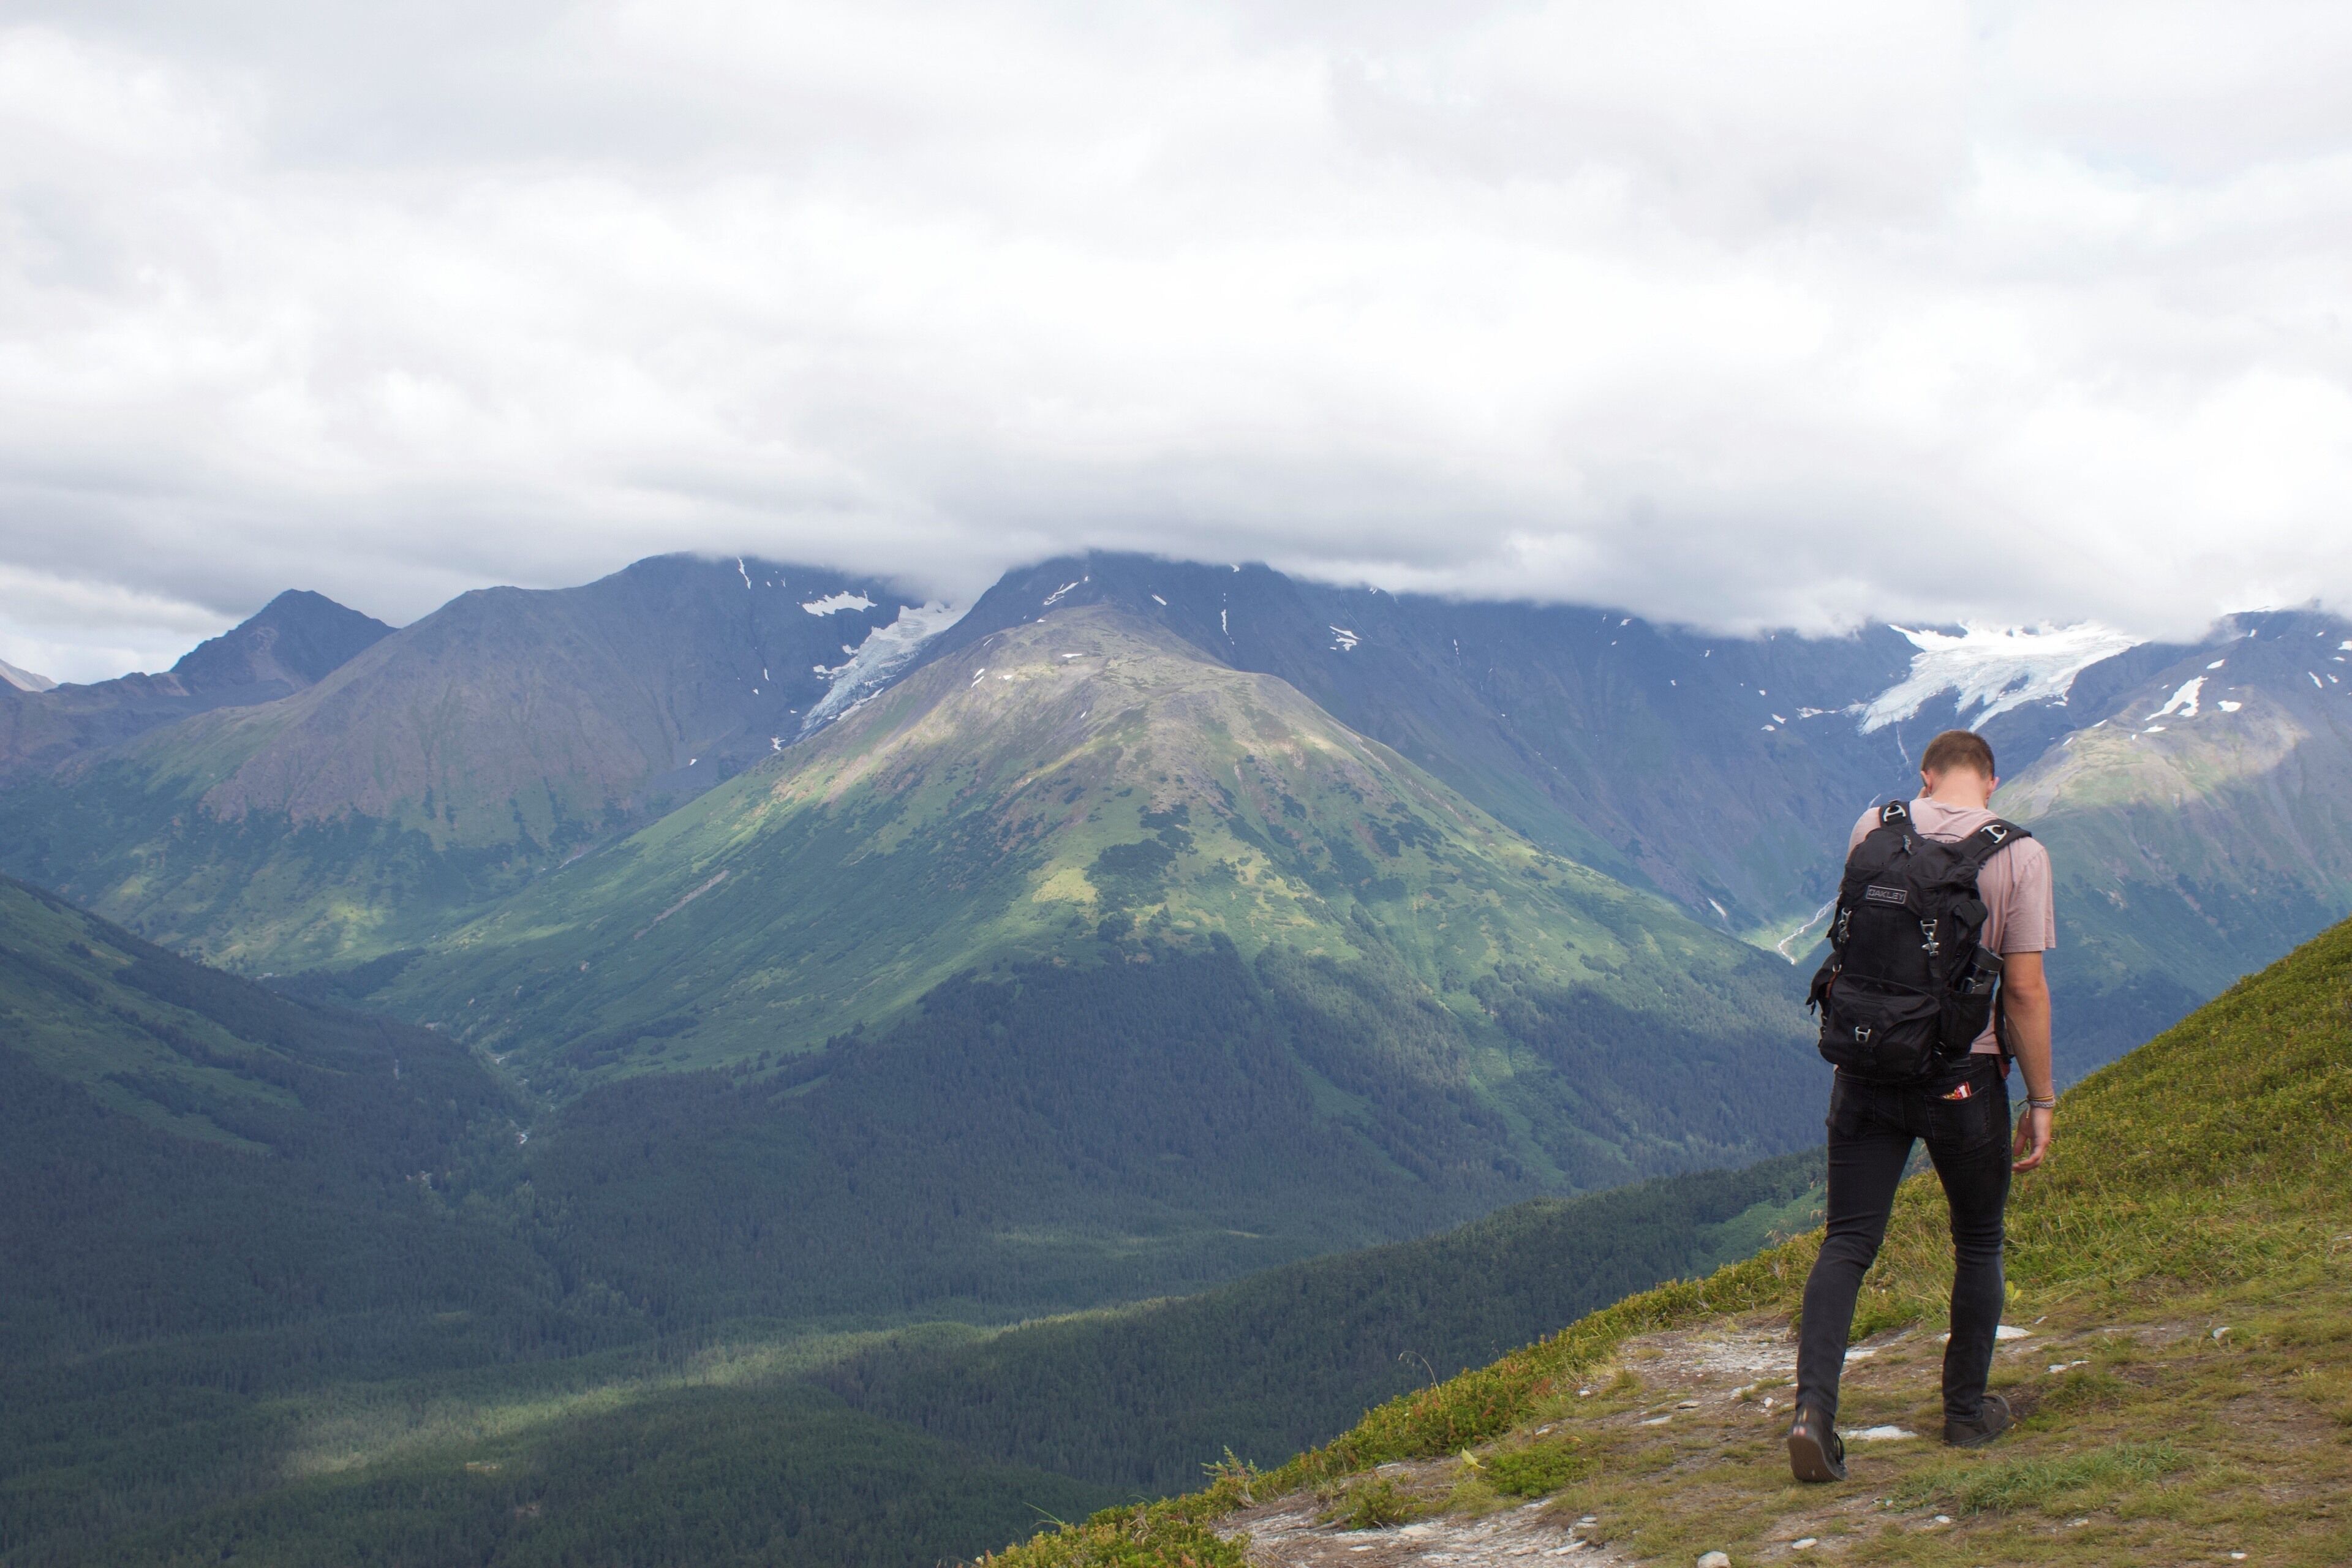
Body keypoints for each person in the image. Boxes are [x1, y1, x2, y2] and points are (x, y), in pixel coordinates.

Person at [1785, 728, 2057, 1483]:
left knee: (1846, 1241)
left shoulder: (1875, 826)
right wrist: (2041, 1097)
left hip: (1867, 1064)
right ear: (1992, 783)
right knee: (1978, 1240)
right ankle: (1966, 1414)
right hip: (1963, 1079)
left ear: (1928, 775)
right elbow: (2025, 991)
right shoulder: (2019, 855)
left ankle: (1813, 1412)